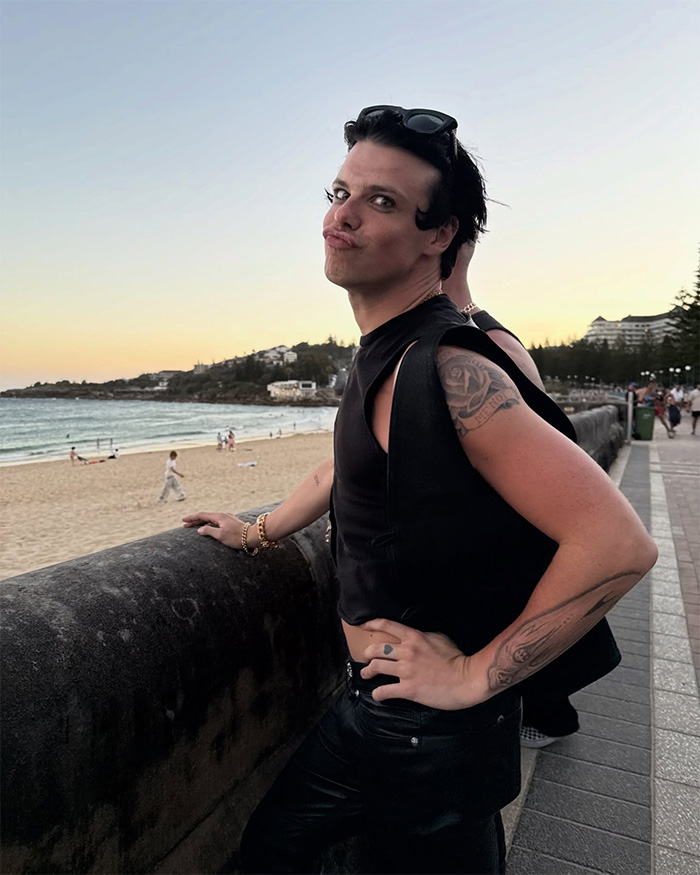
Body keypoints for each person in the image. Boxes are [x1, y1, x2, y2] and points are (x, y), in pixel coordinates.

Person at [183, 105, 656, 874]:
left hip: (426, 733)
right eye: (340, 192)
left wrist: (476, 674)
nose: (342, 217)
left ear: (440, 235)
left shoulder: (444, 367)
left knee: (278, 849)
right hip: (387, 716)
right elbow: (345, 469)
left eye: (383, 203)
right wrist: (257, 531)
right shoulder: (384, 355)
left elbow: (618, 543)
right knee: (279, 844)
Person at [442, 244, 581, 747]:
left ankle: (545, 719)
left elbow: (531, 450)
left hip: (498, 536)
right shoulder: (469, 331)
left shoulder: (486, 341)